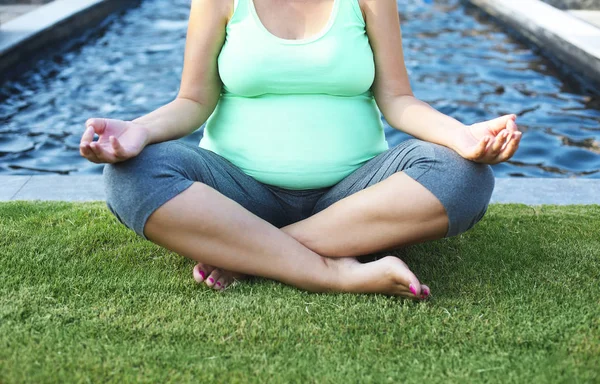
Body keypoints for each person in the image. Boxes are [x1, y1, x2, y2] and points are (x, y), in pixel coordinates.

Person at [79, 0, 521, 299]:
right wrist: (137, 131)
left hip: (356, 195)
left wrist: (462, 137)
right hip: (237, 195)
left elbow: (398, 100)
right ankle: (335, 273)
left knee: (465, 176)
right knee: (131, 175)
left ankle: (248, 254)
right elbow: (193, 102)